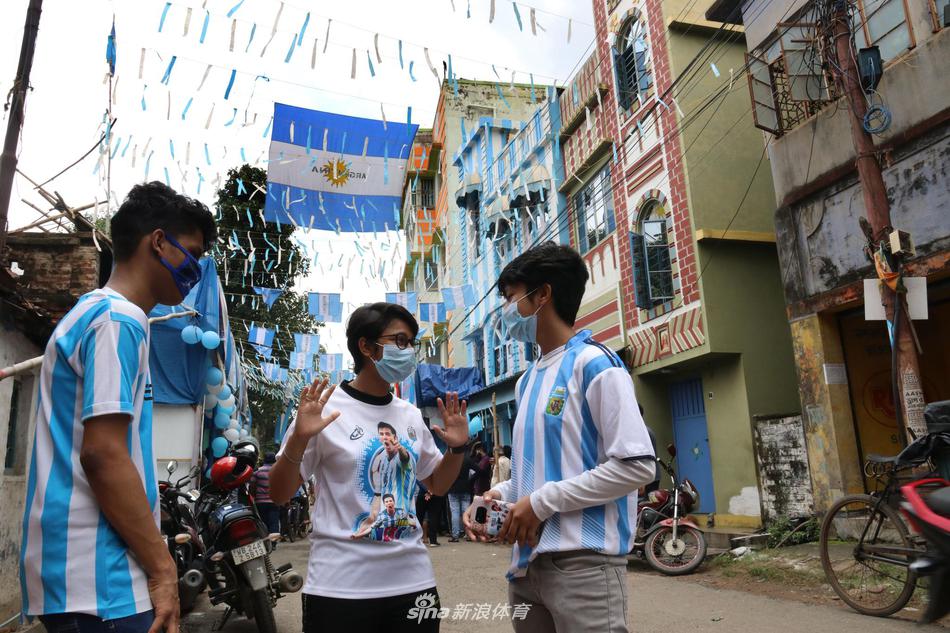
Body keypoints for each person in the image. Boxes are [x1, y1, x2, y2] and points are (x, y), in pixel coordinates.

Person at [20, 182, 216, 633]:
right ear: (158, 242)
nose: (195, 271)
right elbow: (103, 454)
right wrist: (164, 569)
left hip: (78, 576)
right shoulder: (118, 320)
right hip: (100, 577)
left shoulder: (93, 314)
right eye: (191, 253)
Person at [464, 242, 655, 633]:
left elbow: (637, 465)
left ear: (543, 295)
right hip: (526, 568)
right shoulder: (527, 381)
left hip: (584, 566)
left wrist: (542, 502)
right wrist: (496, 497)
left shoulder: (596, 365)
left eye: (511, 298)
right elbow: (530, 477)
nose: (506, 311)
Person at [268, 302, 471, 632]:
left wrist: (457, 448)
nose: (409, 352)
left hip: (413, 586)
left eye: (411, 344)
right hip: (340, 590)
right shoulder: (323, 411)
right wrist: (298, 440)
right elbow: (279, 493)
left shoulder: (408, 415)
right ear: (366, 346)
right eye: (400, 342)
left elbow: (436, 484)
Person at [251, 452, 281, 535]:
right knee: (274, 522)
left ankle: (266, 542)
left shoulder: (257, 472)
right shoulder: (278, 471)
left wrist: (254, 495)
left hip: (260, 502)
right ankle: (273, 543)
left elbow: (252, 486)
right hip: (274, 501)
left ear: (264, 460)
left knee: (263, 522)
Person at [446, 452, 474, 543]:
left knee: (455, 512)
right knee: (466, 512)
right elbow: (479, 470)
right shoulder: (467, 459)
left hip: (453, 489)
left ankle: (455, 535)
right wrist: (470, 481)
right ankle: (468, 534)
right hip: (465, 489)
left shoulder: (450, 461)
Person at [415, 483, 441, 547]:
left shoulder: (422, 472)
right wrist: (430, 491)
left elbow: (418, 479)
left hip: (422, 493)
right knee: (433, 516)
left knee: (419, 517)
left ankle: (416, 540)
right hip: (435, 493)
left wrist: (427, 490)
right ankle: (433, 541)